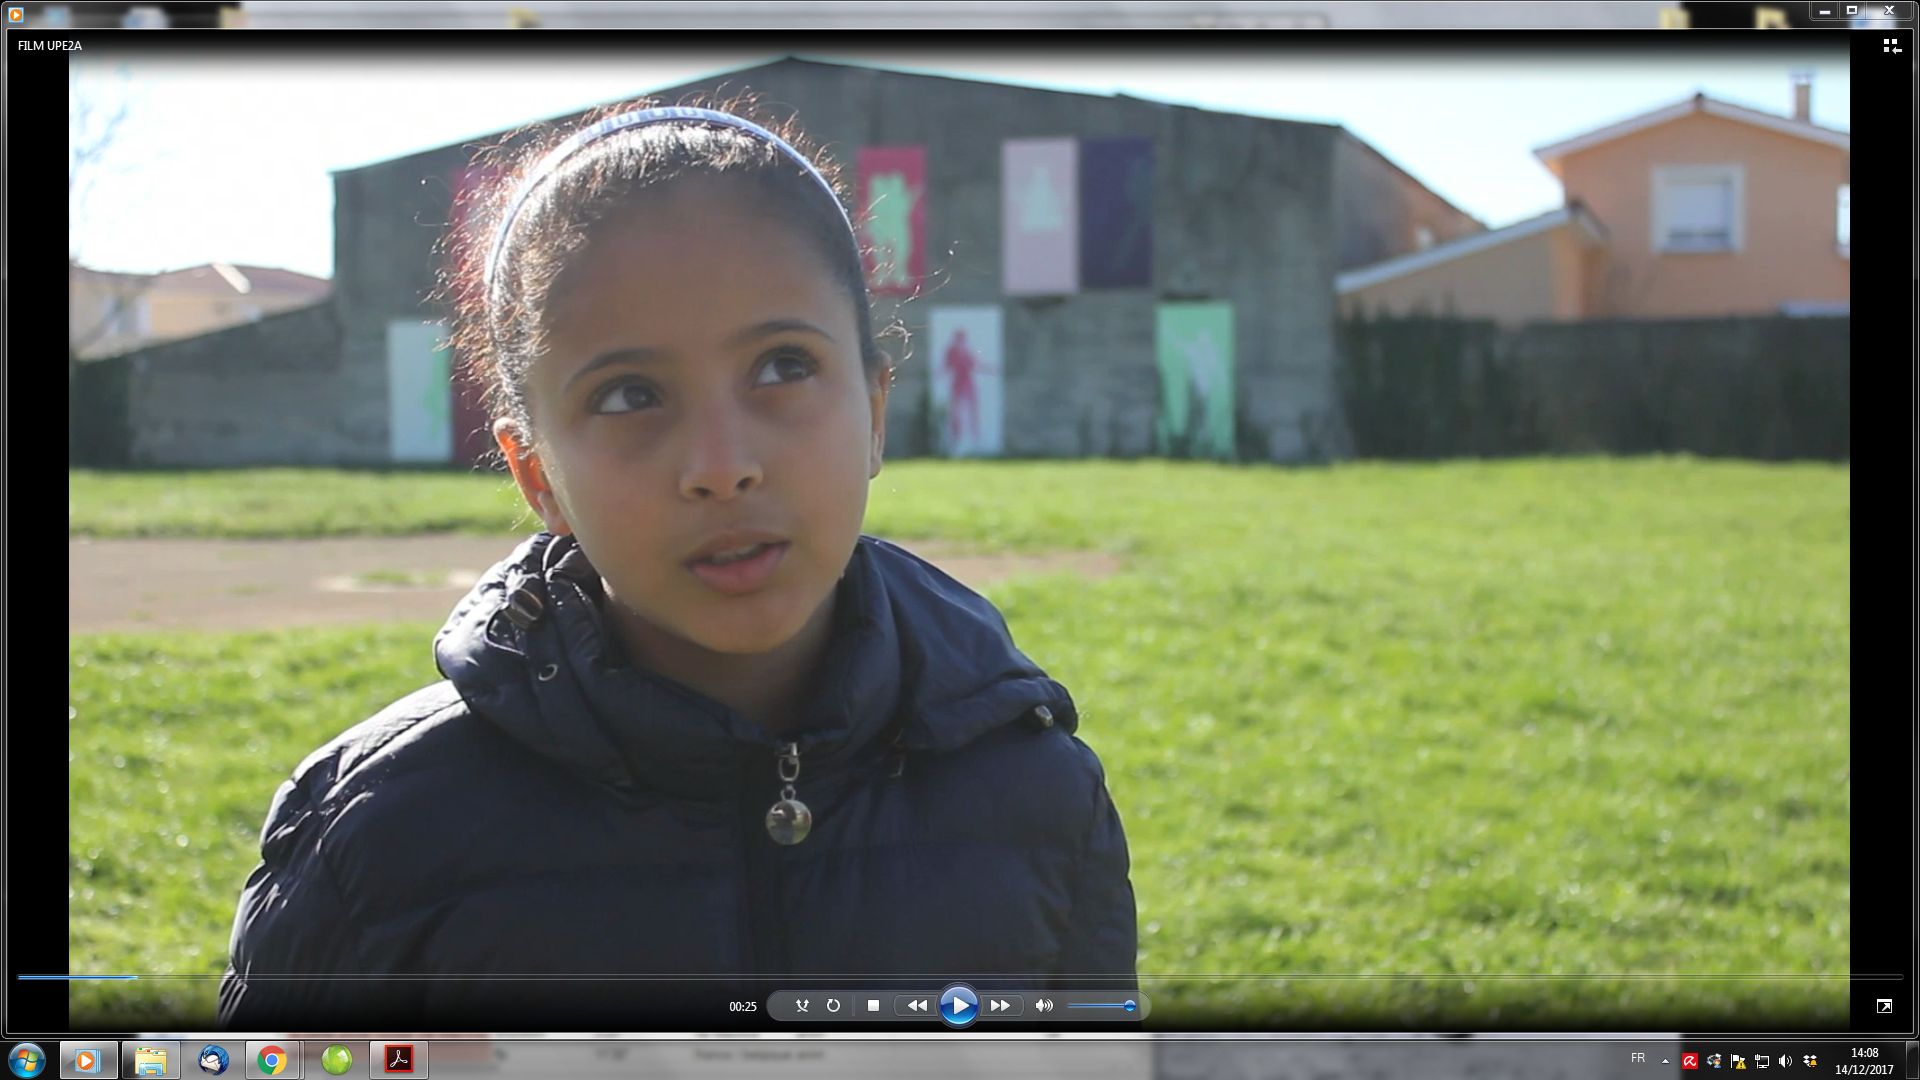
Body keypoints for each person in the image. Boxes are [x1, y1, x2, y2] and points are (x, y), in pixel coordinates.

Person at [217, 98, 1136, 1031]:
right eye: (631, 394)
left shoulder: (1040, 796)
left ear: (873, 408)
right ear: (538, 476)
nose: (721, 465)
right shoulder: (376, 839)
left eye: (783, 367)